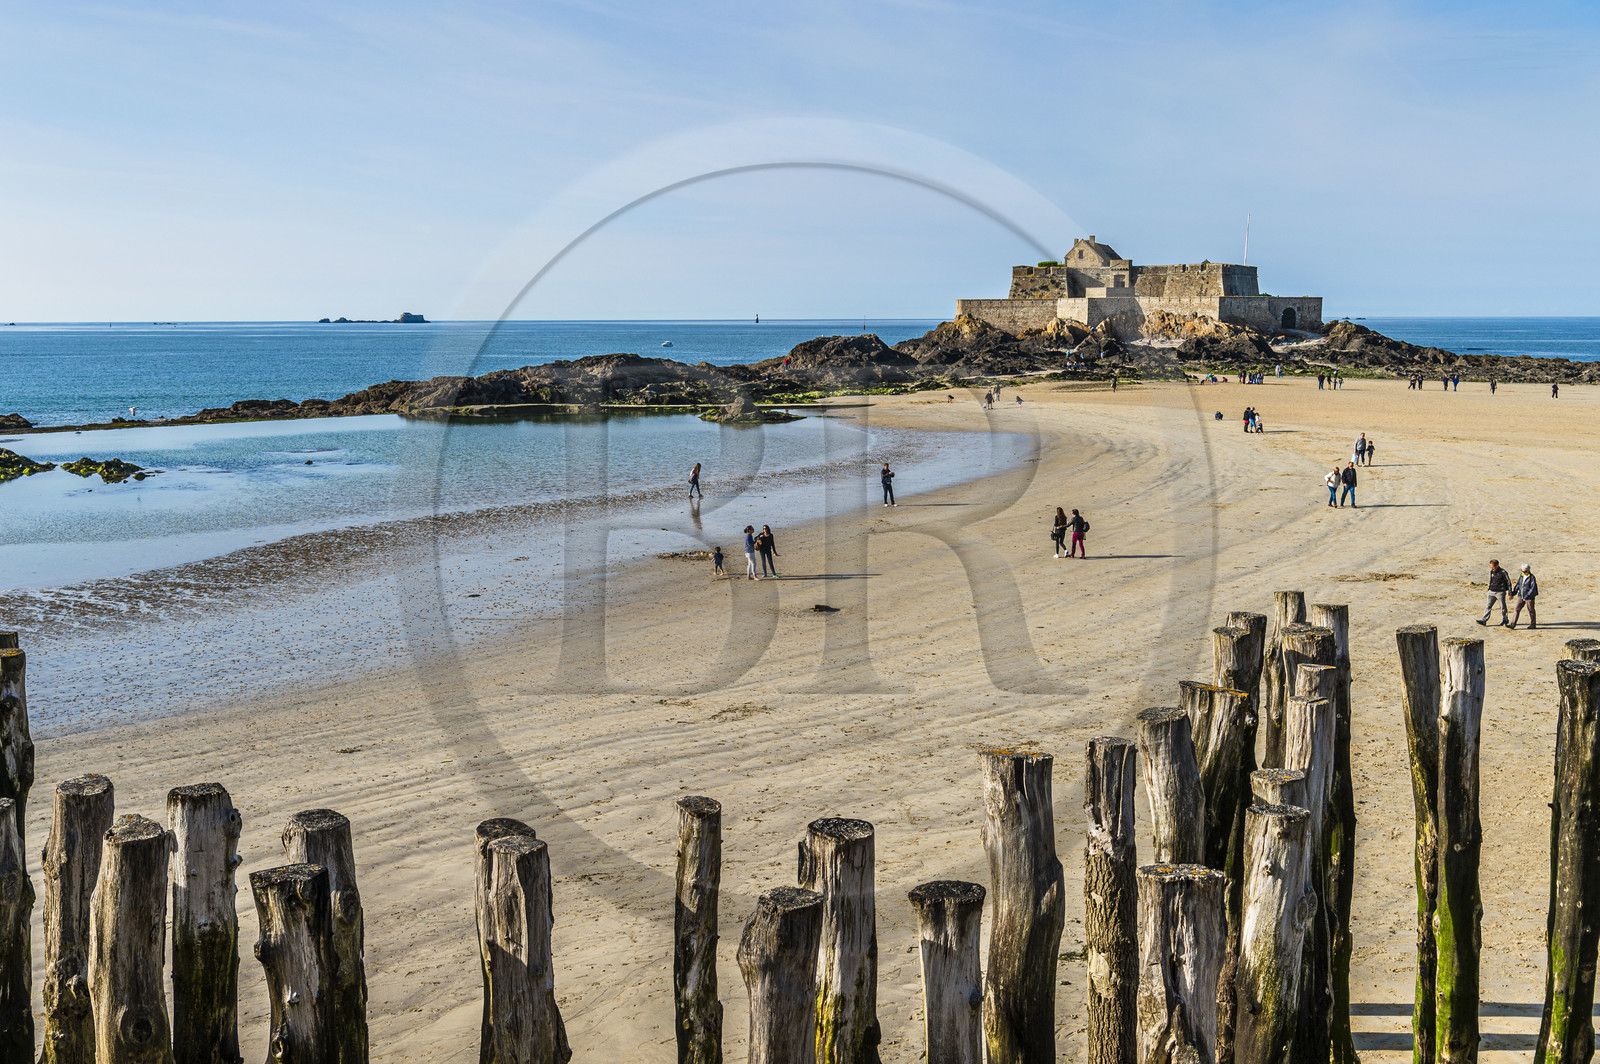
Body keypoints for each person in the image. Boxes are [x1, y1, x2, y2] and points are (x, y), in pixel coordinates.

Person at [1476, 559, 1510, 626]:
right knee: (1488, 606)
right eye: (1491, 567)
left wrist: (1510, 593)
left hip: (1500, 592)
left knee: (1503, 607)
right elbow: (1491, 580)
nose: (1492, 568)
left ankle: (1505, 620)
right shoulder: (1492, 571)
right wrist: (1489, 589)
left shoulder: (1503, 572)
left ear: (1497, 565)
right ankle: (1484, 620)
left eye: (1493, 567)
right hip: (1491, 591)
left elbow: (1508, 582)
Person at [1509, 564, 1539, 629]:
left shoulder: (1532, 577)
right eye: (1522, 571)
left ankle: (1533, 624)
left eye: (1525, 571)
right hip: (1520, 595)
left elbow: (1532, 588)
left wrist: (1527, 596)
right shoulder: (1521, 576)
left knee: (1531, 610)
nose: (1524, 573)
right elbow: (1518, 585)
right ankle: (1512, 624)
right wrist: (1513, 593)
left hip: (1529, 597)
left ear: (1528, 570)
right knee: (1516, 609)